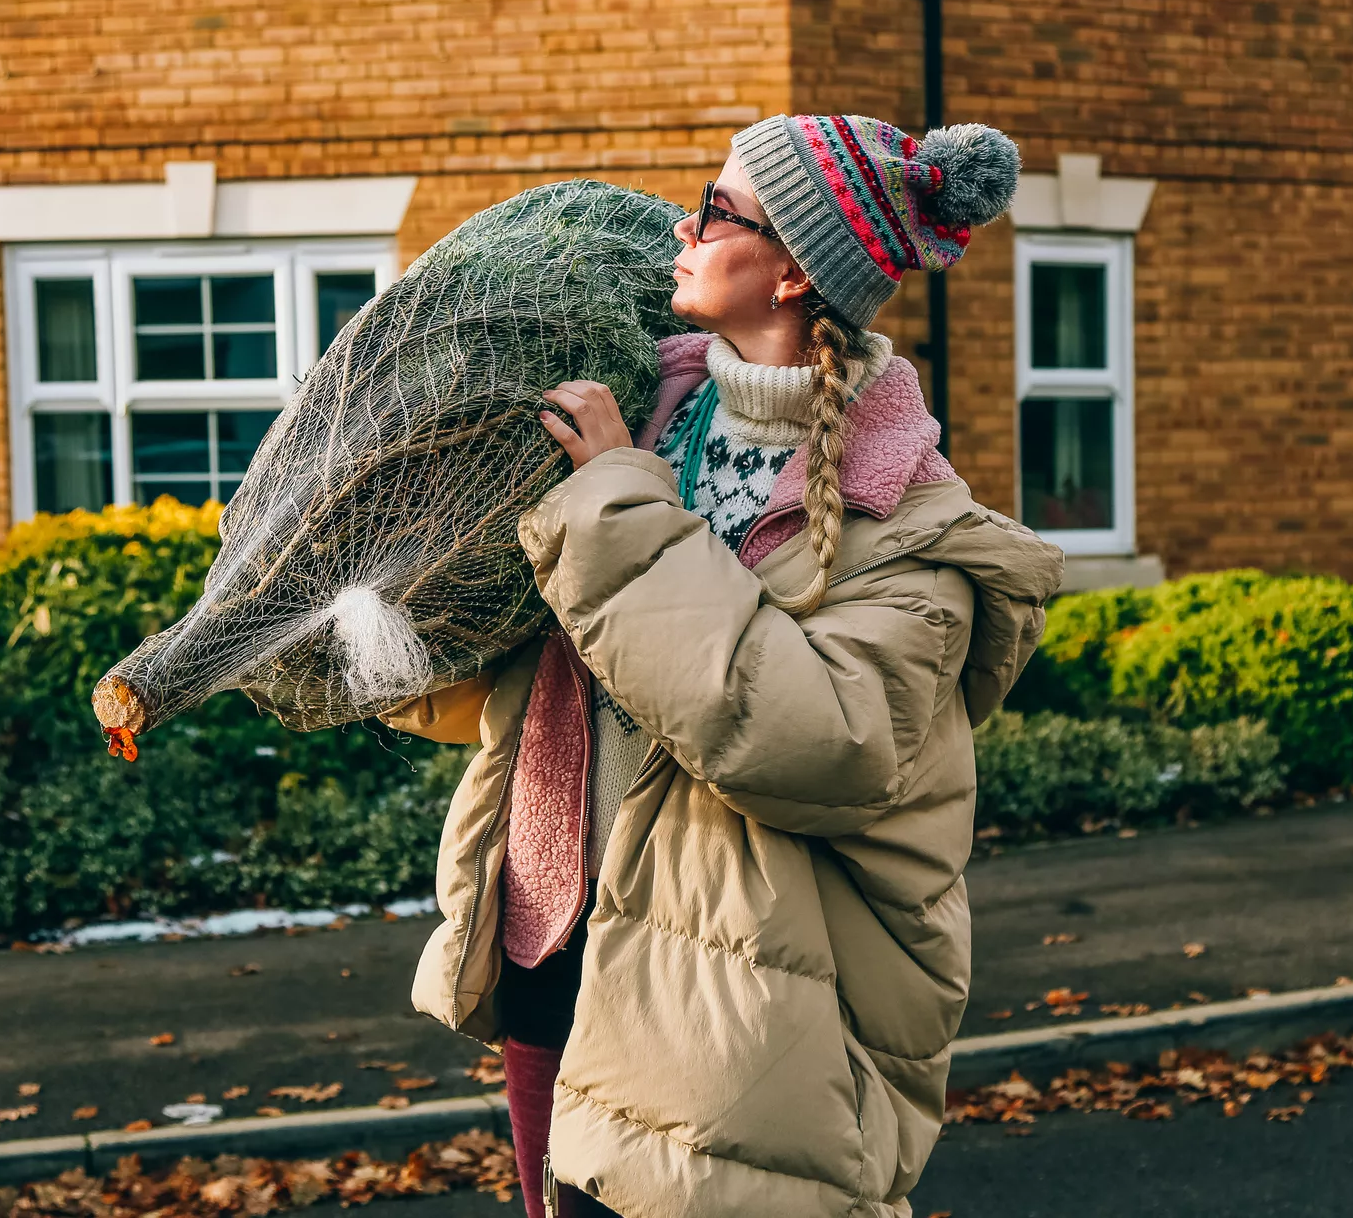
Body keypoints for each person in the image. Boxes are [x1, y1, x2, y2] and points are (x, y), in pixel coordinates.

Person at [388, 114, 1068, 1218]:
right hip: (558, 940)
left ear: (794, 270)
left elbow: (809, 738)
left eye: (718, 210)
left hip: (737, 1013)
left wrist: (613, 502)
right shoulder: (634, 415)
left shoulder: (907, 520)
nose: (682, 224)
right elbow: (557, 678)